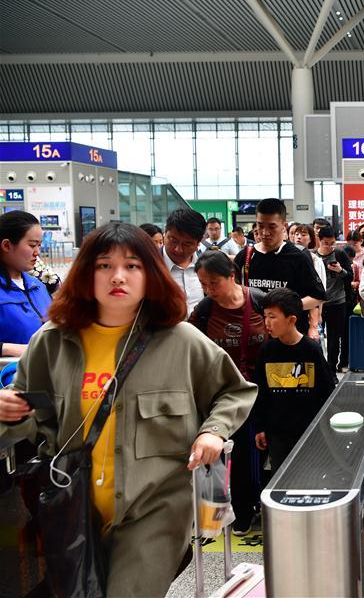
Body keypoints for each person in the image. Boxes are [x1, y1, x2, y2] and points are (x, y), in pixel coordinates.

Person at [0, 222, 256, 596]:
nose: (117, 276)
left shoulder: (181, 340)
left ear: (150, 275)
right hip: (75, 510)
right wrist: (9, 411)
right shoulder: (53, 341)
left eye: (133, 266)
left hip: (154, 510)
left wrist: (213, 430)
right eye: (104, 265)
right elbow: (29, 417)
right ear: (86, 273)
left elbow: (235, 391)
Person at [189, 250, 267, 536]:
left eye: (213, 283)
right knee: (228, 457)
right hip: (223, 395)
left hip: (262, 391)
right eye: (203, 284)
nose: (208, 290)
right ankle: (234, 513)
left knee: (259, 452)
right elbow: (190, 348)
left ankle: (259, 507)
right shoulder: (204, 311)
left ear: (232, 276)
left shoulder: (258, 300)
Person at [252, 288, 335, 471]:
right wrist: (260, 426)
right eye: (265, 316)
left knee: (309, 476)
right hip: (278, 432)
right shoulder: (267, 350)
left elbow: (327, 392)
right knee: (280, 478)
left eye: (272, 317)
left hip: (310, 432)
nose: (267, 323)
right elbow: (260, 393)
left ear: (292, 320)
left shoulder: (311, 350)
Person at [234, 199, 326, 335]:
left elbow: (318, 296)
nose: (264, 232)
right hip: (254, 335)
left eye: (271, 227)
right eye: (260, 226)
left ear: (283, 226)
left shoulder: (297, 257)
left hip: (289, 337)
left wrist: (289, 307)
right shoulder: (245, 256)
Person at [0, 211, 52, 358]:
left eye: (39, 245)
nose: (37, 252)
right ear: (6, 245)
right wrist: (10, 349)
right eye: (32, 245)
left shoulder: (38, 286)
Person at [316, 226, 352, 373]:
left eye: (332, 243)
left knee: (333, 338)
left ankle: (331, 369)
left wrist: (340, 270)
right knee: (316, 336)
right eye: (326, 243)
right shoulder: (313, 256)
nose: (330, 246)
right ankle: (320, 368)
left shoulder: (339, 254)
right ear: (319, 240)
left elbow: (350, 276)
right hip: (317, 303)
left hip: (338, 301)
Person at [162, 208, 206, 315]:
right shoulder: (149, 266)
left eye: (187, 244)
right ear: (165, 233)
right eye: (173, 240)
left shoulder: (207, 266)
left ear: (198, 242)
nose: (178, 249)